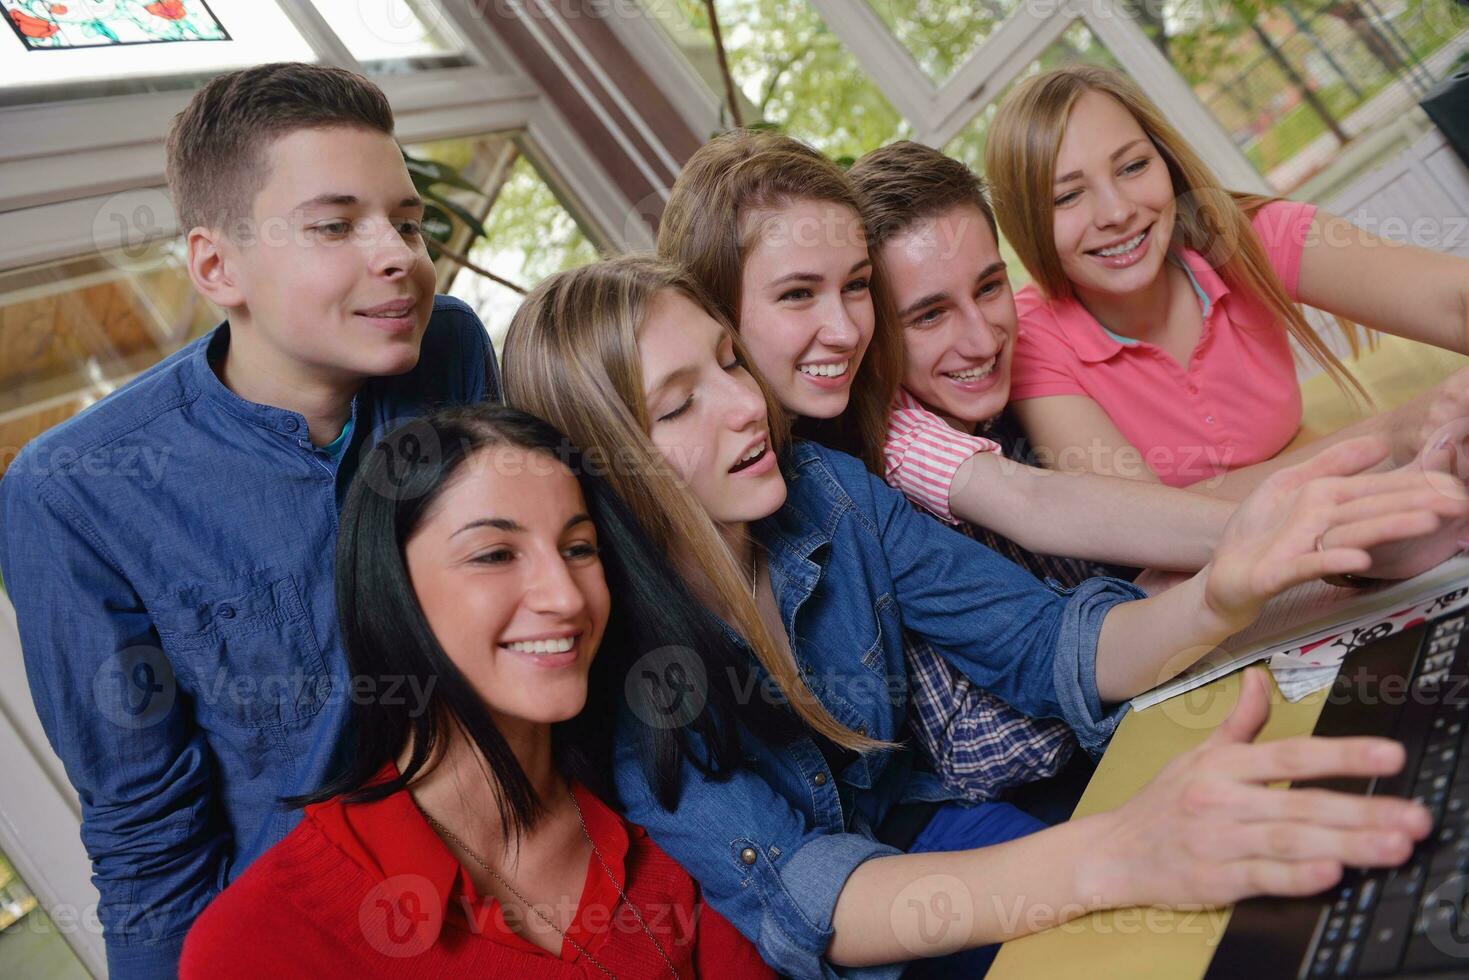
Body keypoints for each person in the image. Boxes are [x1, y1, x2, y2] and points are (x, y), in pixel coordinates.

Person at [503, 255, 1444, 979]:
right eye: (679, 406)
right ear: (605, 470)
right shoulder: (619, 663)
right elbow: (807, 895)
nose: (747, 405)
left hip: (924, 825)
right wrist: (1114, 853)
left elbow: (1045, 644)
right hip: (873, 910)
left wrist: (1219, 592)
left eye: (726, 364)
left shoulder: (825, 490)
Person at [0, 62, 496, 975]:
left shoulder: (450, 347)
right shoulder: (70, 493)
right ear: (215, 266)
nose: (399, 253)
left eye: (409, 221)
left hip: (516, 859)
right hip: (317, 938)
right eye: (336, 225)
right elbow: (146, 830)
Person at [180, 404, 775, 978]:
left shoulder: (678, 819)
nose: (566, 597)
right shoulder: (261, 940)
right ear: (392, 593)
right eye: (495, 554)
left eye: (578, 549)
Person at [845, 139, 1469, 584]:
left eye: (988, 287)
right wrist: (1384, 452)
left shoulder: (1236, 237)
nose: (983, 339)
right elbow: (1132, 529)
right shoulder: (900, 452)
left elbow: (1157, 530)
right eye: (928, 315)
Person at [985, 65, 1469, 497]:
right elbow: (1153, 522)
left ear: (1167, 164)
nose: (1117, 212)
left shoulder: (1247, 236)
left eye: (1133, 166)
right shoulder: (1033, 342)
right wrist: (1392, 434)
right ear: (1026, 222)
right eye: (1066, 197)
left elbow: (1453, 301)